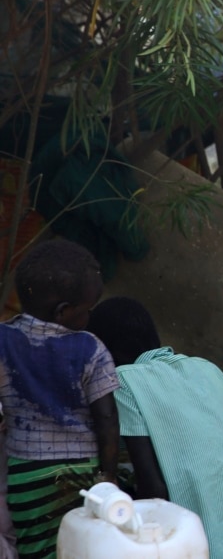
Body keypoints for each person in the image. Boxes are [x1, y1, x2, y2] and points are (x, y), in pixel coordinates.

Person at [87, 297, 223, 559]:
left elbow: (153, 490)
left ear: (105, 351)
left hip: (203, 549)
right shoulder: (208, 368)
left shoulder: (125, 381)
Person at [0, 239, 118, 558]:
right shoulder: (91, 348)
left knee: (36, 549)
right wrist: (107, 475)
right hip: (82, 472)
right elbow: (106, 418)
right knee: (80, 547)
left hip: (26, 474)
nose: (90, 317)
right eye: (87, 310)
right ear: (63, 312)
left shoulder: (3, 341)